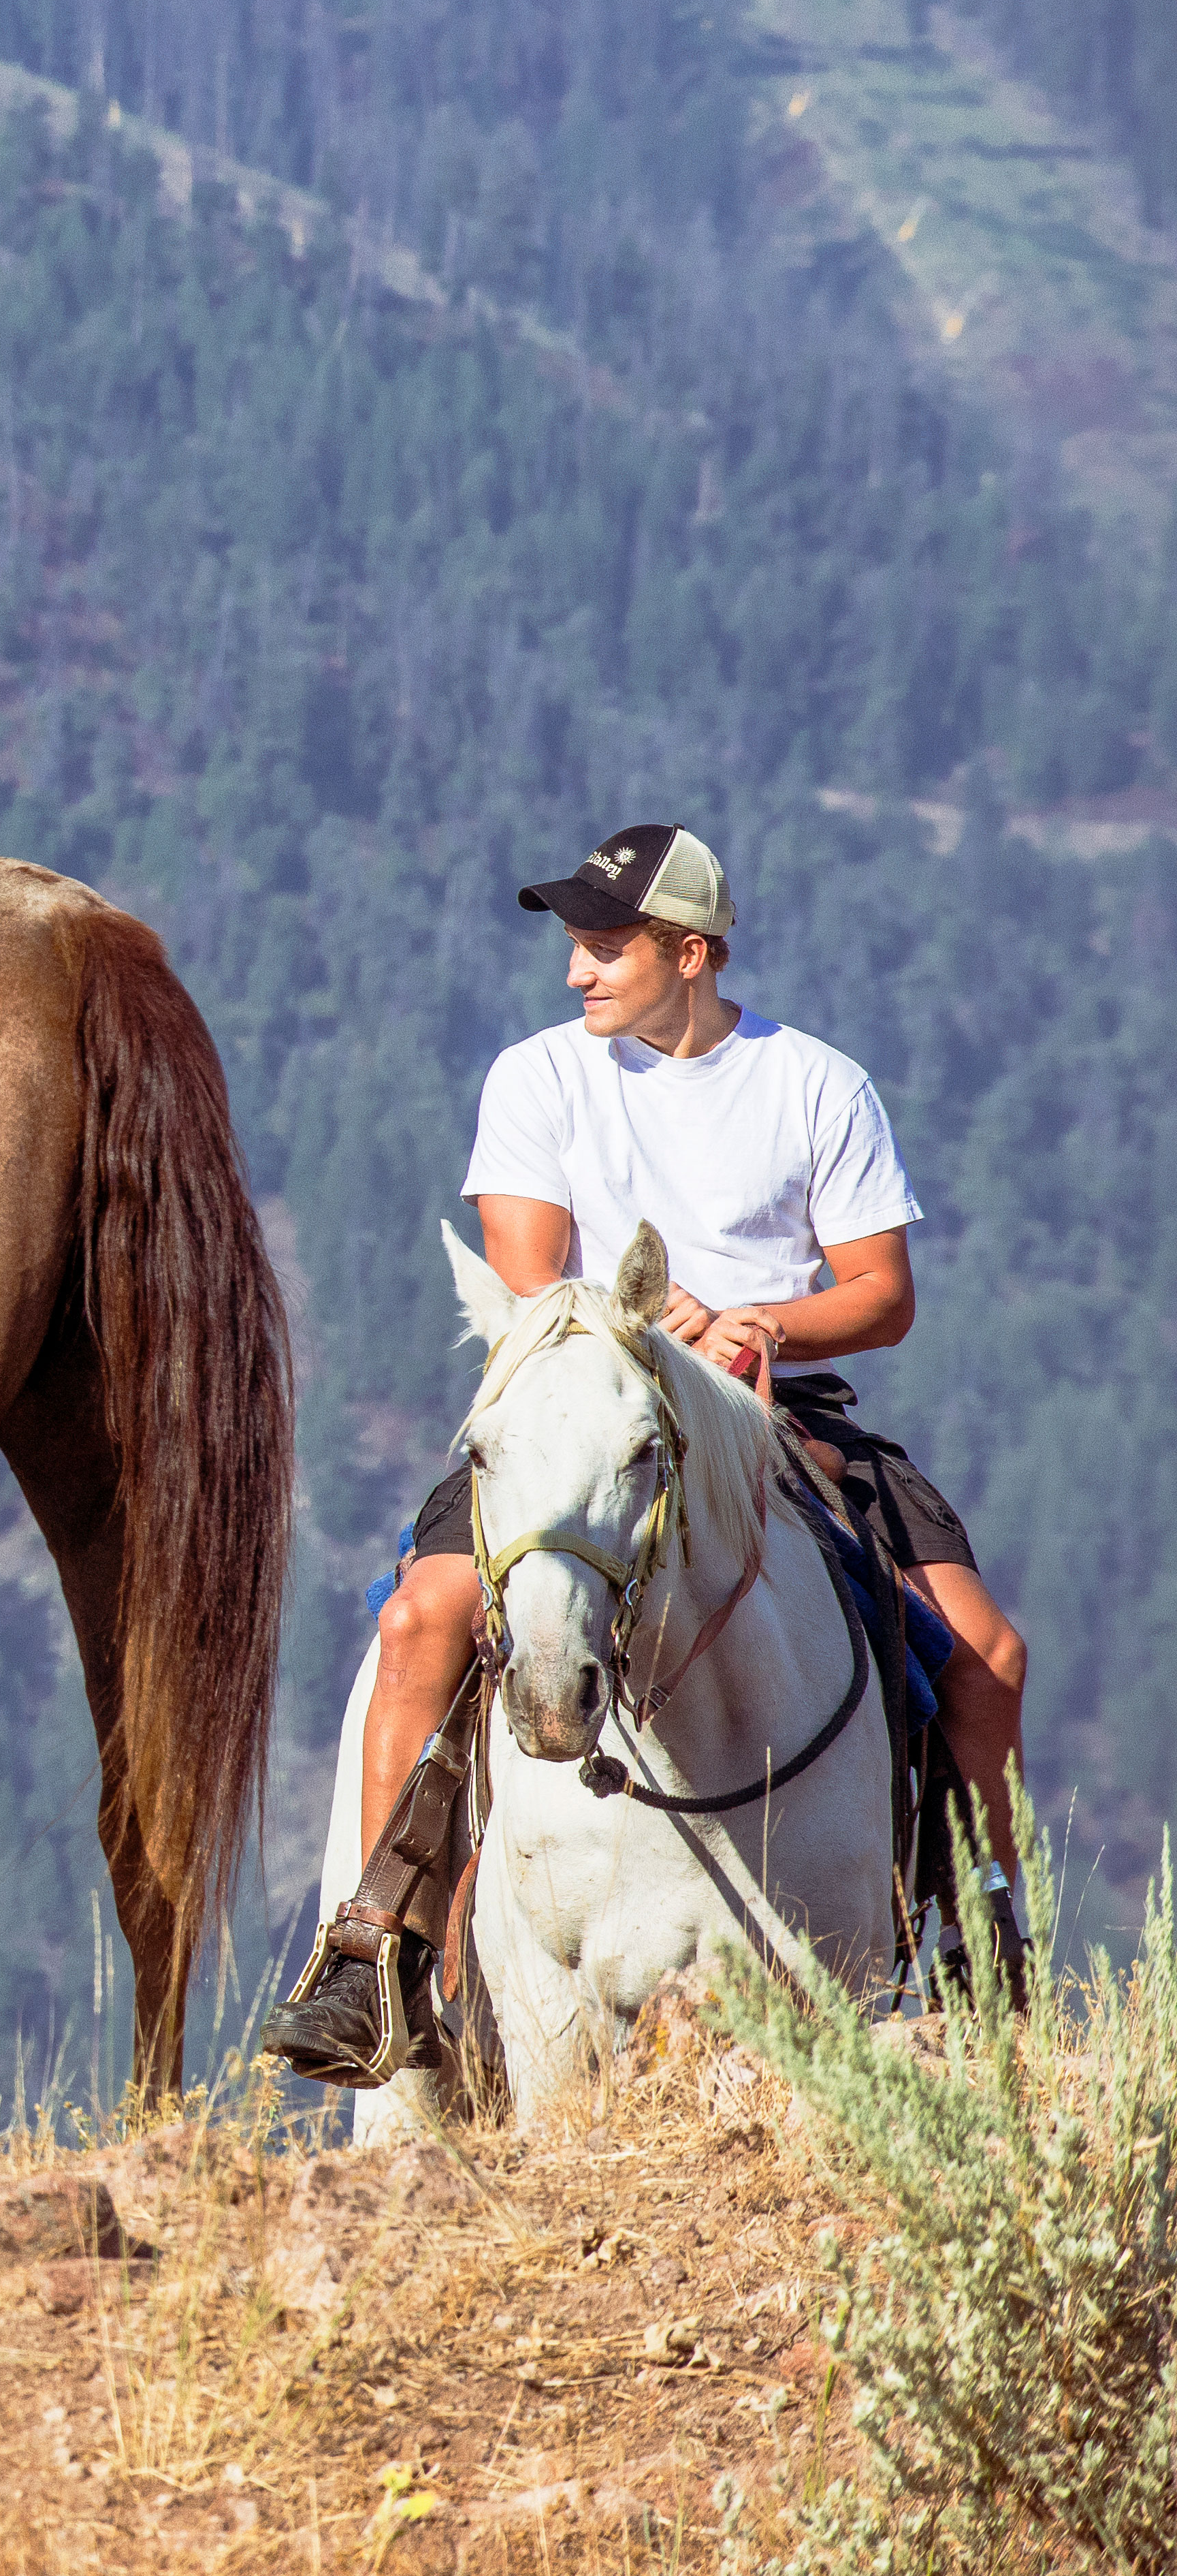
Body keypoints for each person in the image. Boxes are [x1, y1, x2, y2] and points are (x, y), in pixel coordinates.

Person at [255, 820, 1031, 2086]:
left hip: (773, 1404)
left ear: (692, 952)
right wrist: (657, 1325)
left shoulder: (816, 1084)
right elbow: (527, 1270)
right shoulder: (538, 1076)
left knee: (985, 1655)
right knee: (420, 1620)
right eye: (577, 945)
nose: (578, 971)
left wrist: (760, 1323)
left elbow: (882, 1294)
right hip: (581, 1398)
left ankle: (979, 1941)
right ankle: (377, 1949)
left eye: (607, 947)